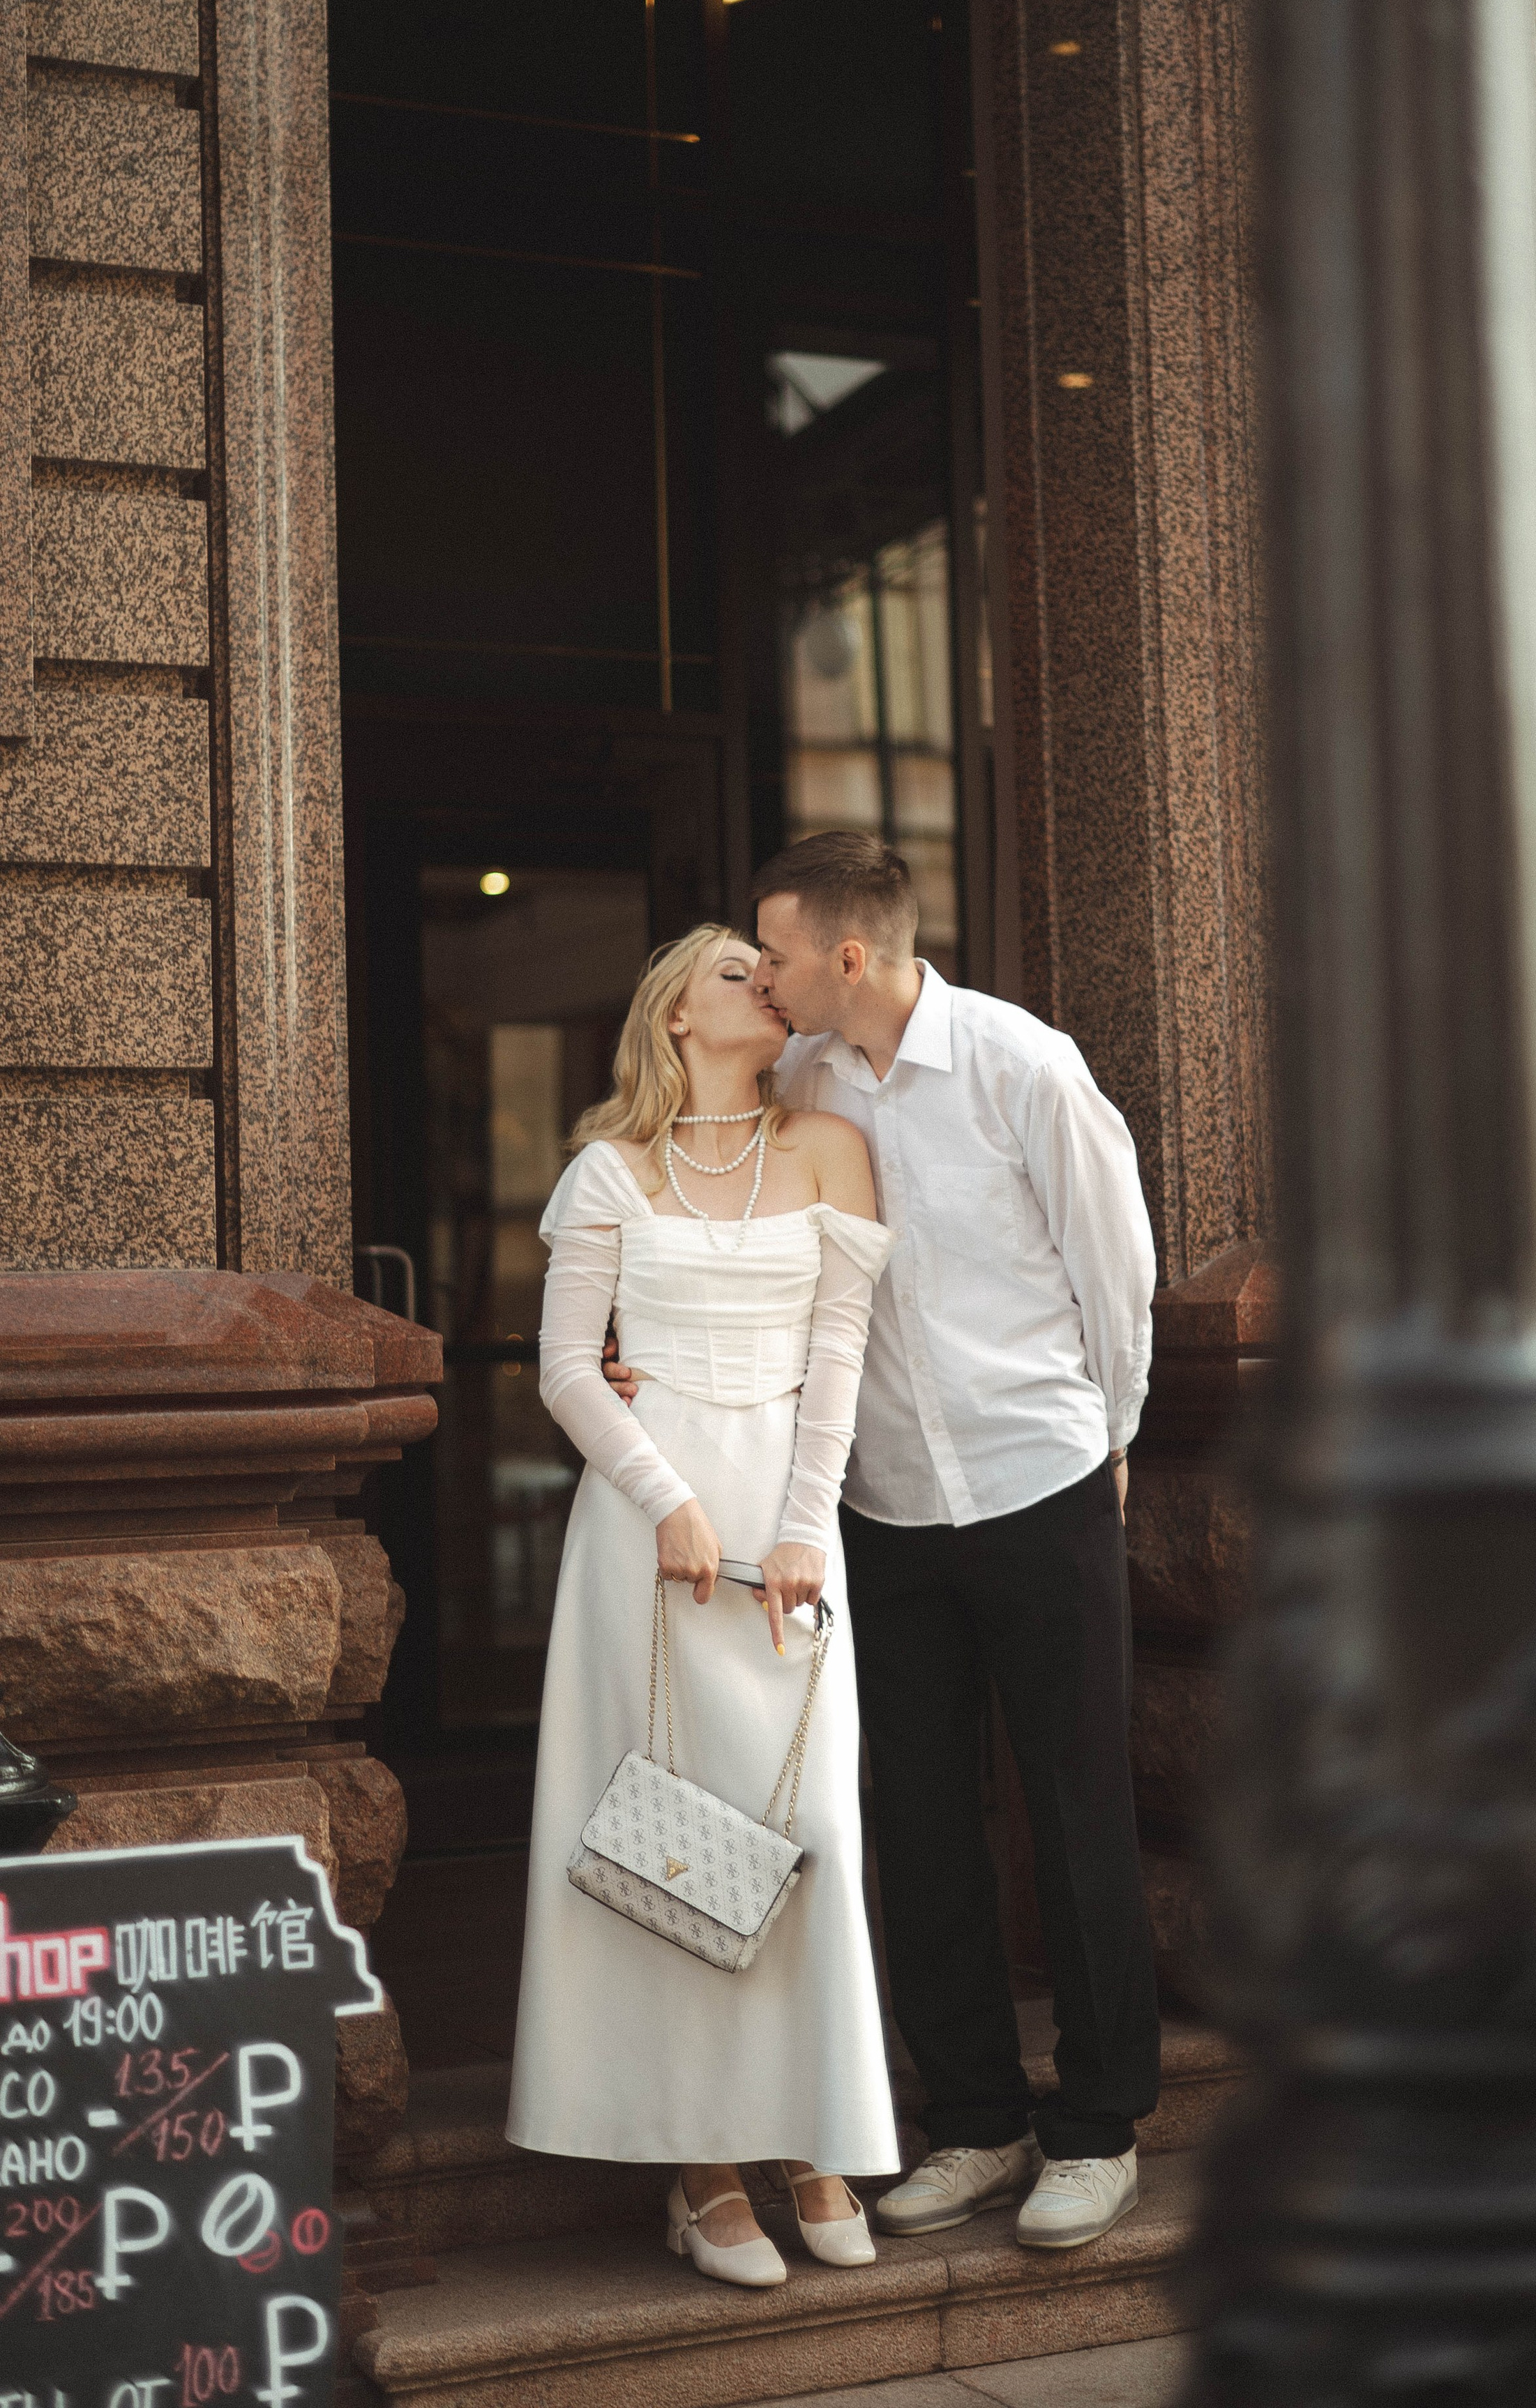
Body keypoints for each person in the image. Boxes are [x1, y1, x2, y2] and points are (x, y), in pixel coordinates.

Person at [608, 835, 1161, 2252]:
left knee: (1076, 1807)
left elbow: (1117, 1274)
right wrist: (634, 1360)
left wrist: (1110, 1446)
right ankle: (974, 2119)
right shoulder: (797, 1081)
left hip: (1040, 1485)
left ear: (844, 957)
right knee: (913, 1823)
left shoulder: (1019, 1066)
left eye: (774, 952)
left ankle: (1097, 2131)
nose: (762, 975)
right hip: (879, 1508)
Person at [506, 921, 901, 2288]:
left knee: (808, 1839)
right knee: (668, 1844)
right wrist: (666, 1498)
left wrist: (801, 1527)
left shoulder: (828, 1151)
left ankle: (812, 2136)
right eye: (736, 970)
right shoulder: (605, 1169)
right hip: (645, 1527)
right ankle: (702, 2166)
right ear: (676, 1014)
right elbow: (564, 1369)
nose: (766, 985)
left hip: (789, 1529)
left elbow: (838, 1360)